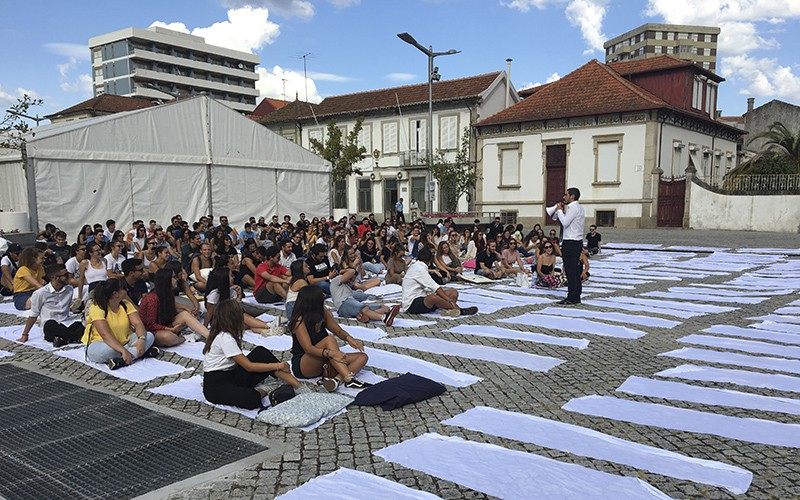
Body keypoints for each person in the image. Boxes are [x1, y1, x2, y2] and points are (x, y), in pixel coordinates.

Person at [203, 300, 300, 410]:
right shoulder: (225, 338)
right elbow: (248, 366)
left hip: (231, 374)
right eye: (241, 313)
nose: (244, 317)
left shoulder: (225, 332)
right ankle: (268, 389)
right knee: (251, 398)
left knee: (260, 353)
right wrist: (280, 365)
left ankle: (296, 385)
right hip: (217, 385)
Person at [289, 285, 370, 391]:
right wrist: (331, 353)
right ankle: (349, 379)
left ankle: (336, 380)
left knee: (362, 357)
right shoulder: (299, 321)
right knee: (329, 339)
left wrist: (350, 339)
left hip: (323, 358)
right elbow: (308, 348)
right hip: (304, 363)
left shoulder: (322, 313)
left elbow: (338, 331)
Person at [82, 278, 158, 370]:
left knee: (149, 336)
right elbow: (105, 335)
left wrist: (141, 340)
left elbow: (138, 324)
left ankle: (122, 361)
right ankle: (137, 353)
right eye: (124, 289)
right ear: (115, 294)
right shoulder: (97, 307)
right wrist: (123, 350)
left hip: (125, 340)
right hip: (101, 343)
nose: (127, 290)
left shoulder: (126, 305)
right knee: (107, 351)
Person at [139, 269, 210, 347]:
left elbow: (172, 313)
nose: (176, 279)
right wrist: (170, 329)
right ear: (167, 280)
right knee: (167, 337)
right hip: (152, 331)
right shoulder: (152, 298)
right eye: (174, 277)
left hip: (166, 324)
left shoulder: (168, 293)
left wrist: (184, 320)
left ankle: (210, 337)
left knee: (185, 315)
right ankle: (183, 339)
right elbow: (150, 325)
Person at [18, 264, 82, 347]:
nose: (68, 277)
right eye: (65, 275)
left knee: (81, 324)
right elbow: (34, 314)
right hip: (50, 326)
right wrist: (25, 334)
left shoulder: (69, 289)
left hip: (66, 323)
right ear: (55, 277)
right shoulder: (40, 293)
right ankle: (74, 337)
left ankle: (65, 339)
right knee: (50, 325)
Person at [401, 247, 477, 317]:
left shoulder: (421, 266)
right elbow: (435, 287)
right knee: (433, 298)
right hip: (413, 303)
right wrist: (449, 300)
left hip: (423, 295)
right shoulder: (419, 268)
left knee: (453, 292)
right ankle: (459, 310)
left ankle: (449, 309)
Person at [547, 187, 585, 305]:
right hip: (576, 242)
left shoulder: (573, 207)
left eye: (566, 195)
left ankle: (571, 297)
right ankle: (576, 295)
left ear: (572, 196)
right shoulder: (579, 207)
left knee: (570, 271)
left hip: (571, 242)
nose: (564, 197)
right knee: (575, 270)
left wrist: (558, 211)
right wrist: (559, 212)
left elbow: (565, 222)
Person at [204, 266, 269, 334]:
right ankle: (268, 325)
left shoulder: (232, 290)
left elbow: (236, 307)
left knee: (249, 324)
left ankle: (267, 330)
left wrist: (239, 295)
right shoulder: (214, 294)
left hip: (229, 317)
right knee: (244, 318)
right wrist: (204, 328)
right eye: (231, 276)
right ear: (225, 278)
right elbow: (209, 313)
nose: (233, 277)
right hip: (219, 321)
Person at [331, 267, 400, 326]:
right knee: (364, 308)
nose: (351, 282)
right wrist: (342, 271)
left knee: (384, 308)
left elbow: (360, 295)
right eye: (350, 279)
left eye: (353, 280)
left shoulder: (347, 288)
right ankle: (384, 318)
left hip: (350, 305)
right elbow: (352, 271)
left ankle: (364, 316)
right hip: (343, 304)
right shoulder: (336, 280)